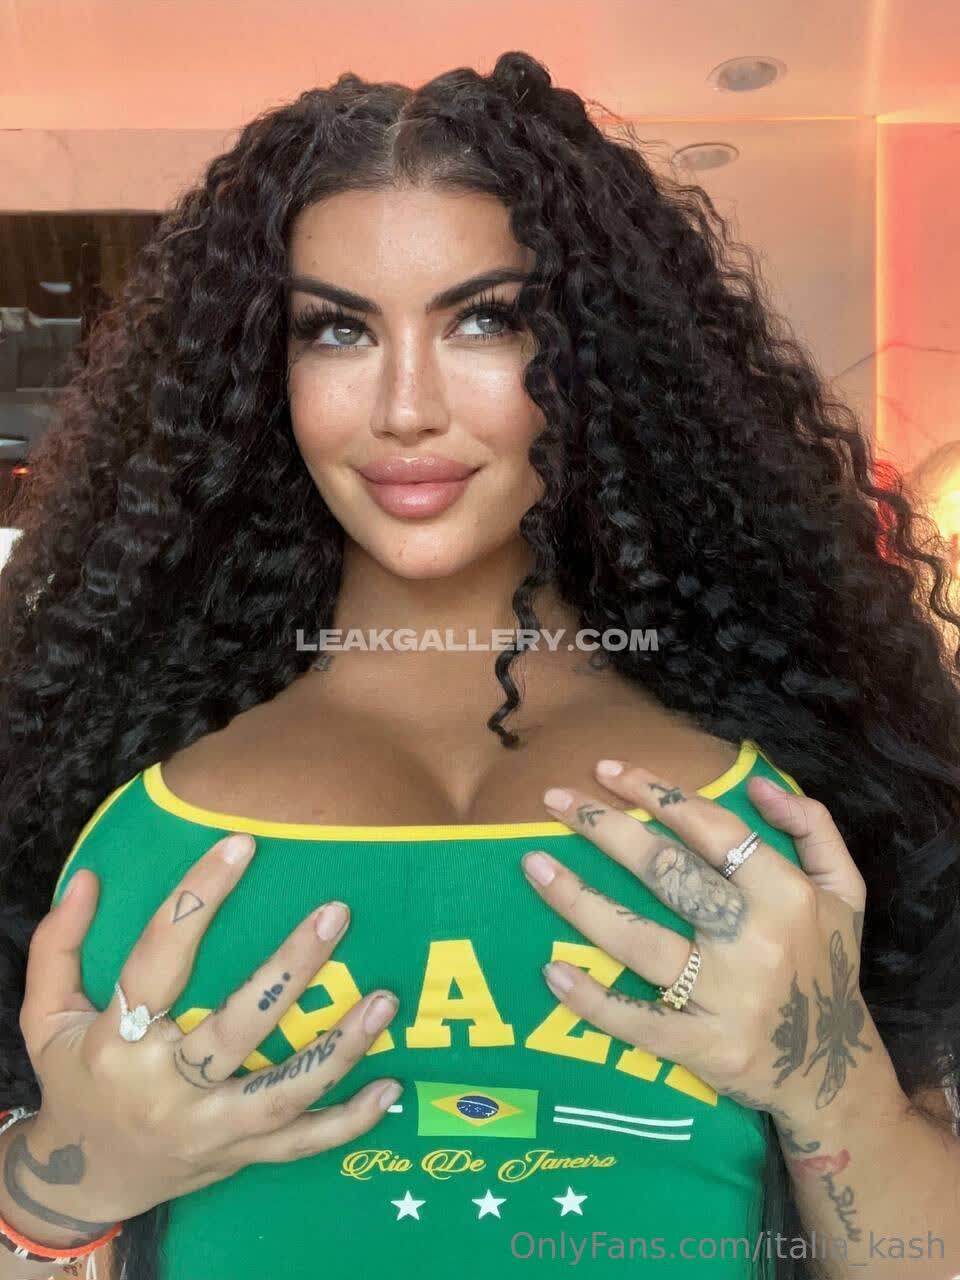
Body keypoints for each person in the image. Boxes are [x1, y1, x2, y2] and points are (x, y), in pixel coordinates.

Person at [0, 49, 958, 1280]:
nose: (406, 406)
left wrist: (836, 1084)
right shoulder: (105, 799)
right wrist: (63, 1178)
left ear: (597, 359)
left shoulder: (800, 788)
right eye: (337, 329)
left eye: (486, 319)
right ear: (263, 374)